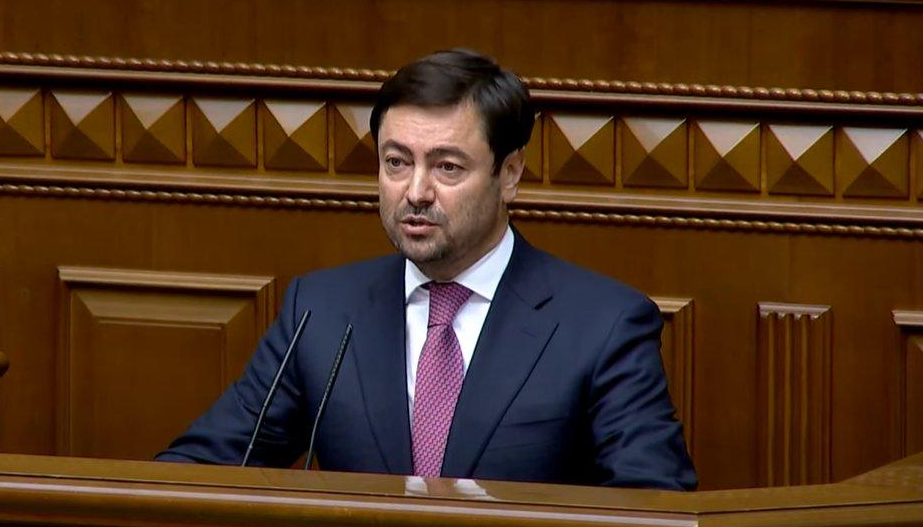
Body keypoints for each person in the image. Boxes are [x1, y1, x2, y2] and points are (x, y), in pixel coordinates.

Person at [157, 49, 697, 491]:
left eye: (447, 167)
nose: (416, 191)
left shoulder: (603, 325)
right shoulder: (321, 312)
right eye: (396, 162)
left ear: (510, 174)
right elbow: (201, 470)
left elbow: (653, 508)